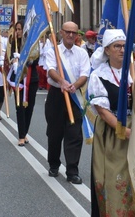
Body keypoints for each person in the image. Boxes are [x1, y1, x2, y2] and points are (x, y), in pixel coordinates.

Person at [88, 29, 135, 216]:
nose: (121, 50)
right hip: (114, 133)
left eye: (124, 46)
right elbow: (103, 112)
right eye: (117, 46)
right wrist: (126, 132)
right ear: (107, 50)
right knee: (115, 178)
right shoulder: (99, 75)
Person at [44, 21, 90, 184]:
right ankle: (54, 164)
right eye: (67, 32)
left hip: (74, 95)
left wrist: (74, 86)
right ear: (61, 33)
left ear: (77, 35)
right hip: (57, 95)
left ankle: (72, 171)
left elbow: (85, 74)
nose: (71, 35)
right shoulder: (52, 51)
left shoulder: (82, 53)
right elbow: (50, 70)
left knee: (74, 134)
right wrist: (62, 82)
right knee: (55, 133)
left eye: (74, 32)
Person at [8, 22, 40, 145]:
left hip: (32, 79)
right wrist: (14, 60)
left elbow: (36, 59)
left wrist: (23, 59)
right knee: (20, 107)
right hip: (19, 80)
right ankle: (21, 135)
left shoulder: (32, 43)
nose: (18, 31)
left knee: (29, 107)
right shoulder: (13, 43)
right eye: (16, 29)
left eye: (20, 29)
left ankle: (25, 132)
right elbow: (9, 58)